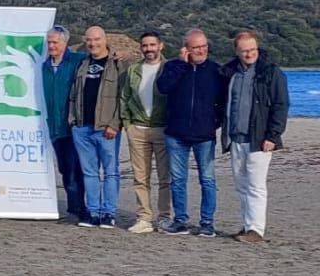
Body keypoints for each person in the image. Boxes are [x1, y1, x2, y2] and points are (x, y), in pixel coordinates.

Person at [220, 30, 289, 243]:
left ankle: (256, 230)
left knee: (256, 186)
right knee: (241, 186)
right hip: (235, 138)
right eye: (244, 51)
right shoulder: (230, 72)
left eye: (252, 50)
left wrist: (273, 136)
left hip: (259, 139)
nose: (249, 54)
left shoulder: (270, 72)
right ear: (236, 51)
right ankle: (248, 225)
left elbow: (281, 105)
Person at [155, 30, 224, 237]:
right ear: (186, 49)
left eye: (204, 46)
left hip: (204, 136)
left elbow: (223, 101)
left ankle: (207, 223)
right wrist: (182, 65)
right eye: (196, 47)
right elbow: (163, 87)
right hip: (176, 134)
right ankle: (180, 221)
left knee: (208, 180)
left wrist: (214, 123)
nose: (201, 50)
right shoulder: (172, 66)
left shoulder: (216, 70)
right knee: (178, 180)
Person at [68, 26, 127, 229]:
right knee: (90, 173)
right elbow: (74, 94)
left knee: (110, 172)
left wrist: (115, 124)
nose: (93, 44)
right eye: (89, 40)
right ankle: (93, 212)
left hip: (106, 129)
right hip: (82, 128)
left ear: (105, 39)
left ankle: (108, 213)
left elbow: (123, 97)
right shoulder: (82, 64)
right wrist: (73, 121)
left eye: (97, 39)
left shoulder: (117, 64)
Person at [119, 31, 172, 234]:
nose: (149, 49)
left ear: (160, 45)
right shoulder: (134, 70)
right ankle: (144, 218)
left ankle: (164, 217)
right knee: (140, 178)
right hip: (138, 130)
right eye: (145, 45)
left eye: (152, 45)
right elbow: (124, 97)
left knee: (165, 178)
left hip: (163, 129)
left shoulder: (169, 68)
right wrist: (127, 124)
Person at [41, 25, 88, 225]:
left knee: (74, 170)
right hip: (54, 128)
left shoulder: (77, 61)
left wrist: (118, 55)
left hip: (72, 127)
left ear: (65, 42)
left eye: (55, 42)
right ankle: (78, 208)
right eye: (49, 42)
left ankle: (77, 210)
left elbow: (101, 58)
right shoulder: (45, 66)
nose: (51, 46)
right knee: (64, 169)